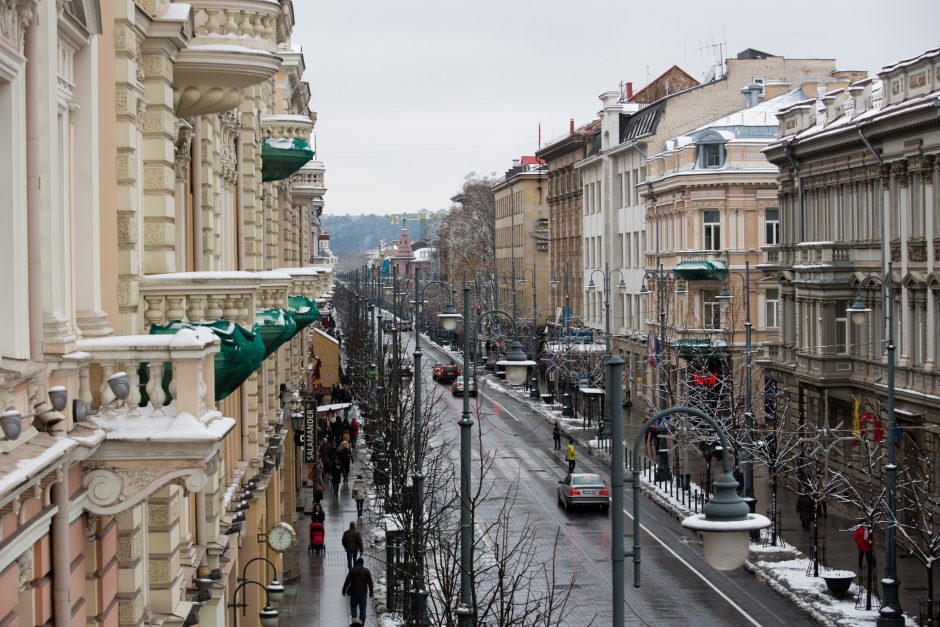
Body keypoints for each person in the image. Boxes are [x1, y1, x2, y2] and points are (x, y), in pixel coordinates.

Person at [341, 557, 373, 623]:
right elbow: (370, 582)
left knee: (353, 607)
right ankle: (361, 623)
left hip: (354, 593)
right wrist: (371, 592)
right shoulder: (366, 571)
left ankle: (354, 621)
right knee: (363, 609)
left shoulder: (352, 570)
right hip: (363, 594)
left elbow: (347, 581)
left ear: (356, 563)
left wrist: (344, 589)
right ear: (362, 564)